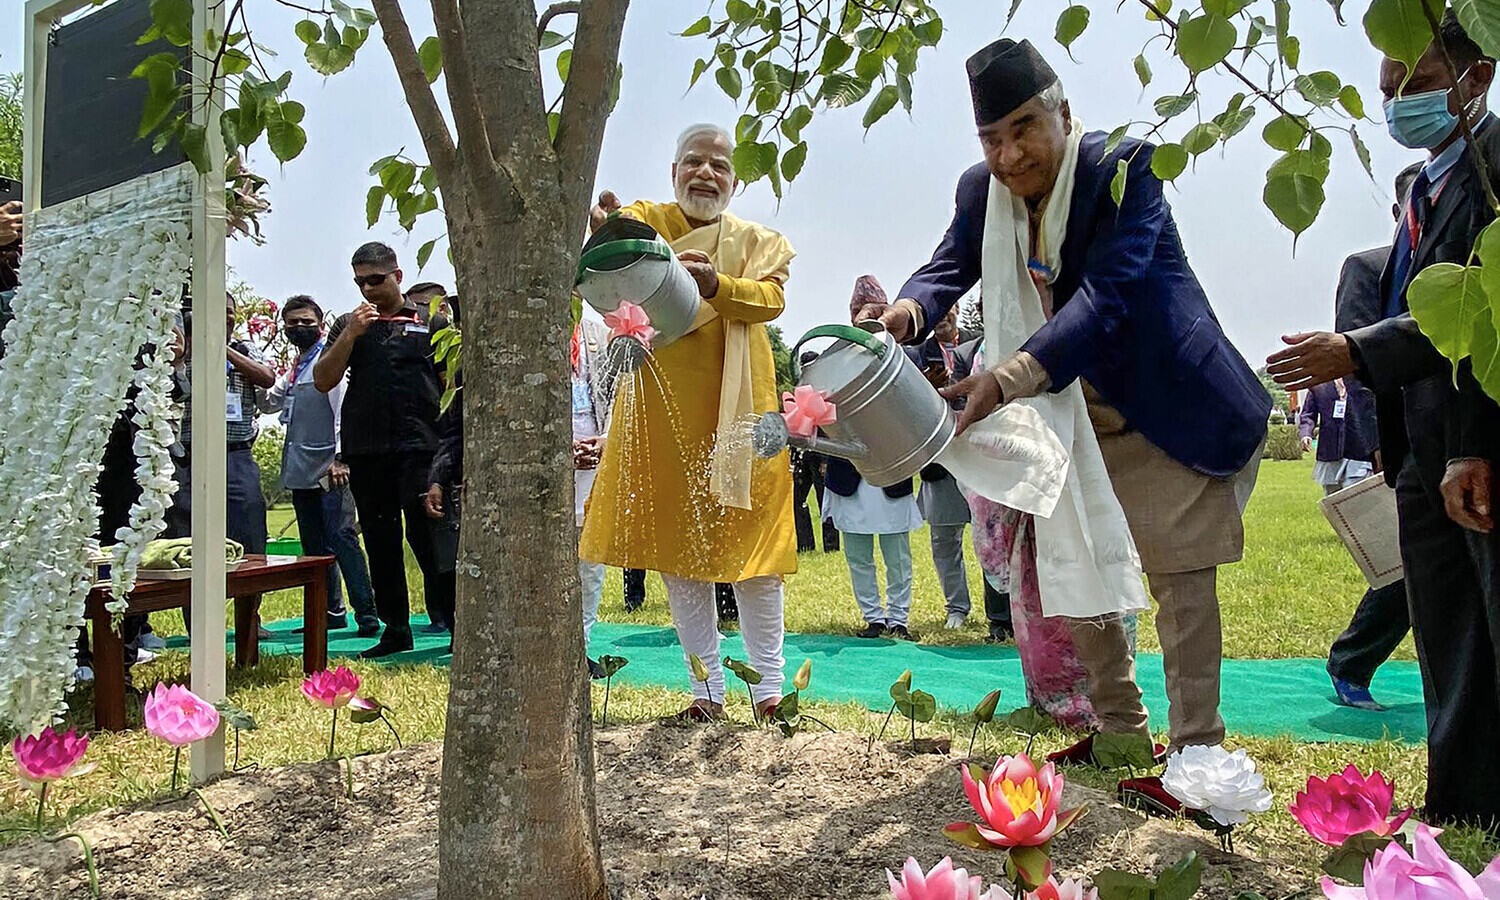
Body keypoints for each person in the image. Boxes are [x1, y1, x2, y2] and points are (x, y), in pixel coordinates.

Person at [865, 39, 1269, 810]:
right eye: (992, 139)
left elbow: (1107, 298)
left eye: (1024, 128)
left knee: (1179, 580)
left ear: (1064, 113)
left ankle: (1196, 759)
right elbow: (949, 264)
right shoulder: (980, 190)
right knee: (1073, 569)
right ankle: (1119, 728)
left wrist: (1008, 377)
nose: (1010, 154)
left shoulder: (1126, 168)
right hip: (1066, 415)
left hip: (1164, 404)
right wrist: (909, 311)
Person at [1265, 15, 1500, 826]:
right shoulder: (1417, 187)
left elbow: (1477, 315)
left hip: (1477, 453)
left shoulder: (1494, 168)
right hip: (1419, 456)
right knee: (1445, 635)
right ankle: (1463, 808)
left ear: (1478, 79)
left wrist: (1357, 351)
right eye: (1387, 89)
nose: (1398, 103)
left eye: (1418, 84)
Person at [581, 122, 797, 721]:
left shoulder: (761, 242)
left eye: (719, 165)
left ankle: (770, 692)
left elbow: (771, 300)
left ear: (737, 179)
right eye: (693, 162)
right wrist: (606, 230)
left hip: (741, 411)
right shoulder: (649, 220)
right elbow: (612, 250)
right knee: (681, 552)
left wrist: (716, 283)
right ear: (674, 172)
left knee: (755, 550)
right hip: (664, 407)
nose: (706, 173)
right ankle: (705, 693)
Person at [314, 242, 453, 658]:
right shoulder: (348, 324)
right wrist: (353, 333)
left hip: (421, 450)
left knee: (430, 541)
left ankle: (455, 624)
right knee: (380, 541)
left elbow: (450, 385)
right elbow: (323, 379)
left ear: (398, 276)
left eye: (375, 280)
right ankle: (395, 630)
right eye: (360, 282)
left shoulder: (433, 322)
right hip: (368, 450)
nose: (368, 290)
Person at [1322, 164, 1422, 713]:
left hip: (1464, 427)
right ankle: (1352, 660)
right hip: (1403, 433)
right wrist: (1376, 440)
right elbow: (1354, 363)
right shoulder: (1368, 269)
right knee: (1408, 562)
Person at [257, 295, 380, 638]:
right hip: (300, 471)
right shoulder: (295, 367)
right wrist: (248, 372)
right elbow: (270, 402)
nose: (299, 328)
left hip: (330, 469)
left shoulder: (329, 360)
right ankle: (329, 612)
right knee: (313, 548)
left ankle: (367, 614)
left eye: (306, 322)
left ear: (320, 326)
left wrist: (341, 458)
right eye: (292, 323)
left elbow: (342, 412)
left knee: (342, 538)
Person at [172, 293, 276, 639]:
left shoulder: (245, 349)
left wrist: (221, 346)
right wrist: (192, 348)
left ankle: (250, 622)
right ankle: (198, 627)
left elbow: (267, 378)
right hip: (189, 456)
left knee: (249, 532)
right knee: (187, 537)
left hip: (235, 454)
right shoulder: (180, 350)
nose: (225, 318)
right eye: (215, 312)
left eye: (229, 314)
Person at [909, 306, 978, 630]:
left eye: (947, 309)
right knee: (944, 541)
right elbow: (904, 401)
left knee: (993, 536)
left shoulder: (978, 346)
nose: (941, 317)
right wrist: (923, 386)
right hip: (940, 461)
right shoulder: (915, 355)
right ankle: (957, 608)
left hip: (980, 457)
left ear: (957, 310)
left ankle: (1003, 614)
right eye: (937, 310)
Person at [1299, 379, 1373, 493]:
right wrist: (1306, 434)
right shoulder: (1318, 385)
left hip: (1360, 450)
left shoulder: (1361, 381)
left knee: (1355, 494)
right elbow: (1308, 414)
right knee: (1332, 498)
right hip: (1329, 450)